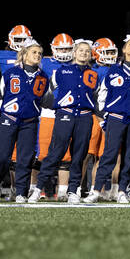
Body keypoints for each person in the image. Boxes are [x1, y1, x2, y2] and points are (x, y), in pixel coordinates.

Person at [87, 35, 130, 202]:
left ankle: (122, 190)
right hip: (116, 117)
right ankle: (96, 190)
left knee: (129, 157)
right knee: (109, 155)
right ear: (123, 49)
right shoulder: (113, 69)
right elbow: (103, 93)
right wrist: (104, 116)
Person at [34, 39, 98, 203]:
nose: (84, 53)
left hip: (85, 116)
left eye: (87, 51)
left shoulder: (94, 74)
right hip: (65, 114)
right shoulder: (61, 71)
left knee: (79, 156)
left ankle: (73, 191)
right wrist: (54, 105)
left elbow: (96, 96)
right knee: (55, 152)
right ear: (74, 52)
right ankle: (37, 188)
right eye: (81, 50)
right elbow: (46, 92)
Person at [0, 38, 50, 202]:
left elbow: (46, 100)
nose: (38, 55)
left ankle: (20, 192)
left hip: (30, 121)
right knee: (2, 157)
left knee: (25, 159)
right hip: (9, 119)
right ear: (24, 54)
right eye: (34, 52)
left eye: (40, 53)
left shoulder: (43, 77)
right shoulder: (10, 73)